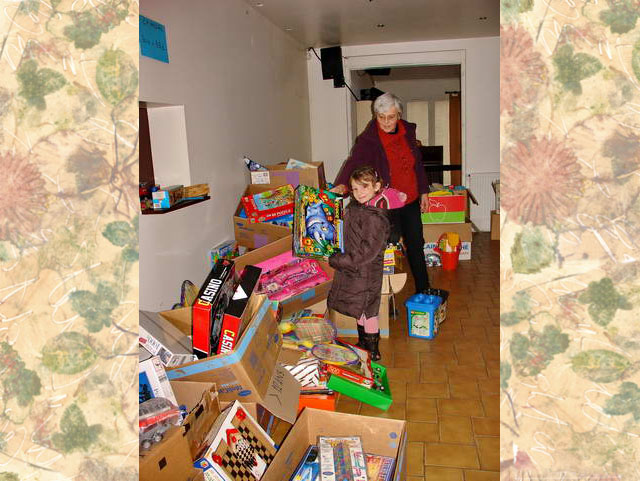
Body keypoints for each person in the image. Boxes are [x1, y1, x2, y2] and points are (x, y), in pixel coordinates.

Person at [332, 92, 430, 293]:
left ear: (399, 114)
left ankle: (424, 290)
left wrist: (424, 191)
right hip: (386, 202)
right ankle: (385, 295)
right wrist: (342, 185)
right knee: (386, 247)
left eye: (391, 117)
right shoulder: (369, 139)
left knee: (416, 244)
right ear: (375, 115)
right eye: (381, 117)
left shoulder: (408, 132)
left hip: (410, 199)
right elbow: (353, 162)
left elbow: (417, 165)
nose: (386, 122)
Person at [327, 166, 391, 361]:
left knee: (368, 309)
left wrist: (336, 260)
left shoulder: (375, 218)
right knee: (359, 308)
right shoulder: (354, 207)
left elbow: (366, 253)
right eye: (354, 189)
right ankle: (363, 343)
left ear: (376, 187)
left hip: (367, 271)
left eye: (364, 187)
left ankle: (372, 349)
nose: (359, 193)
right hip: (355, 269)